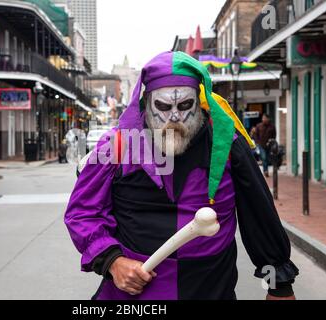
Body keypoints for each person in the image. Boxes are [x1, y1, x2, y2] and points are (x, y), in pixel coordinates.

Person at [64, 52, 298, 300]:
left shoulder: (227, 145)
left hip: (211, 290)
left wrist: (279, 286)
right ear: (146, 103)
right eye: (163, 107)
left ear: (199, 101)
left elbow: (259, 214)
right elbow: (82, 212)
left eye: (185, 105)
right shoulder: (117, 146)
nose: (174, 117)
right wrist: (113, 261)